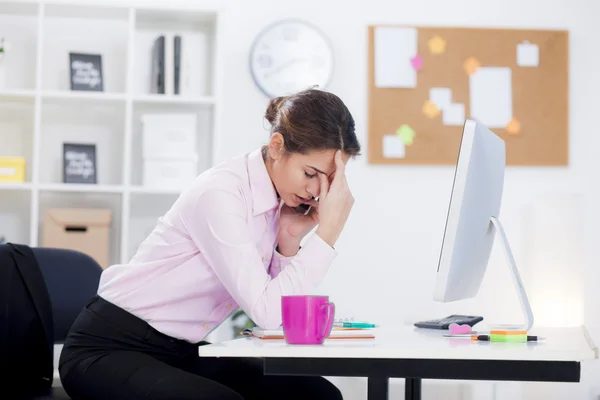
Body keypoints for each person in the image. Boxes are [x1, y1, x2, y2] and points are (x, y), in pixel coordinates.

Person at [58, 87, 361, 400]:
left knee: (316, 394)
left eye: (327, 181)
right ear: (276, 146)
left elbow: (273, 311)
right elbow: (267, 312)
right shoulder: (221, 194)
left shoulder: (277, 202)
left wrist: (289, 240)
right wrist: (328, 235)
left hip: (178, 350)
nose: (316, 192)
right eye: (310, 173)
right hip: (109, 348)